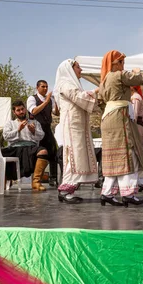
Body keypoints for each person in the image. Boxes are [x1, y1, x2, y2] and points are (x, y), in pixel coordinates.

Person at [99, 50, 143, 207]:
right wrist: (138, 71)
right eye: (121, 62)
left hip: (107, 118)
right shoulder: (119, 75)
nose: (123, 65)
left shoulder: (103, 81)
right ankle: (128, 193)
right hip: (119, 117)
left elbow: (100, 102)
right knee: (128, 155)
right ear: (115, 64)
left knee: (113, 158)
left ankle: (107, 193)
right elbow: (140, 79)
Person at [52, 59, 99, 204]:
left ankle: (69, 189)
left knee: (76, 156)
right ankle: (66, 189)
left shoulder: (71, 84)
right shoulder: (65, 84)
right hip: (72, 126)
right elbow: (79, 97)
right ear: (70, 69)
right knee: (72, 156)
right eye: (78, 67)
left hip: (78, 125)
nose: (81, 70)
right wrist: (97, 90)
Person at [1, 100, 49, 191]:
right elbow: (6, 136)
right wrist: (18, 130)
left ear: (25, 109)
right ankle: (5, 180)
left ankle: (36, 182)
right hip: (14, 148)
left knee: (43, 151)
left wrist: (33, 131)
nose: (21, 112)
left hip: (30, 147)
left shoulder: (34, 122)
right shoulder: (10, 123)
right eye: (18, 110)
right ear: (14, 112)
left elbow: (41, 135)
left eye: (22, 109)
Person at [27, 80, 60, 188]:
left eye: (46, 87)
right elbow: (34, 111)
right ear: (37, 87)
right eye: (43, 86)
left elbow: (56, 113)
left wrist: (56, 101)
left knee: (53, 152)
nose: (45, 89)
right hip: (36, 129)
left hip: (47, 128)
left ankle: (53, 178)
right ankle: (36, 179)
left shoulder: (49, 99)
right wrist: (46, 101)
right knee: (38, 153)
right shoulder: (32, 98)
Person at [131, 85, 143, 191]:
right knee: (137, 152)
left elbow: (134, 115)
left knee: (136, 152)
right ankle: (142, 179)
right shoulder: (136, 97)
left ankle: (140, 179)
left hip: (136, 127)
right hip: (138, 127)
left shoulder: (135, 98)